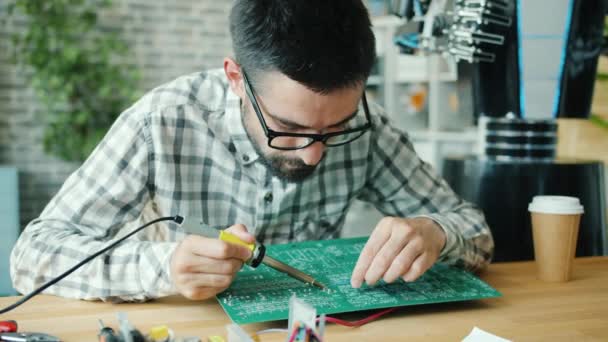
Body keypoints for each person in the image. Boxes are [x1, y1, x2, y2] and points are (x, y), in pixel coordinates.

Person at [10, 0, 493, 302]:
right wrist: (162, 269)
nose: (312, 156)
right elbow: (33, 256)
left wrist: (434, 232)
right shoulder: (161, 120)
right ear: (236, 79)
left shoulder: (371, 126)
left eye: (336, 128)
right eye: (288, 128)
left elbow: (474, 230)